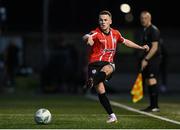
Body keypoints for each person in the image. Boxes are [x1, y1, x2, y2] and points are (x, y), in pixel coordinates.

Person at [82, 10, 149, 123]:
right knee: (101, 90)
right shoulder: (96, 33)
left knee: (108, 68)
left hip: (107, 64)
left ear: (110, 21)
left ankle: (92, 81)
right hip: (94, 64)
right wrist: (87, 38)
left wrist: (141, 47)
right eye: (101, 20)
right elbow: (86, 36)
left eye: (105, 20)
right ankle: (112, 116)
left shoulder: (116, 33)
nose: (103, 22)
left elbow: (126, 42)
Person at [139, 11, 161, 112]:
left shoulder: (153, 30)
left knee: (152, 80)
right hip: (148, 59)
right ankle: (152, 105)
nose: (143, 20)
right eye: (141, 18)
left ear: (149, 18)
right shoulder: (145, 30)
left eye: (145, 18)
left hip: (154, 60)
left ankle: (155, 106)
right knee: (148, 81)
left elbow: (155, 47)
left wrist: (146, 59)